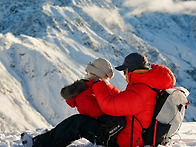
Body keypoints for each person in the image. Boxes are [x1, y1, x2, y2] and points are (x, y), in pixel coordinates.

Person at [21, 58, 125, 147]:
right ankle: (44, 141)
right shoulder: (91, 88)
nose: (107, 80)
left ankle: (43, 141)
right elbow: (94, 111)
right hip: (108, 130)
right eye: (106, 77)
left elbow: (97, 109)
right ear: (99, 75)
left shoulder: (94, 86)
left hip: (110, 132)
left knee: (77, 123)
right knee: (77, 122)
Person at [92, 53, 176, 147]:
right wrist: (107, 85)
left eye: (124, 70)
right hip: (133, 138)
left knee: (81, 121)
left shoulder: (139, 90)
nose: (124, 74)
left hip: (127, 142)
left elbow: (108, 105)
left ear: (131, 69)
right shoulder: (146, 86)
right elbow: (125, 99)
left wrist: (97, 83)